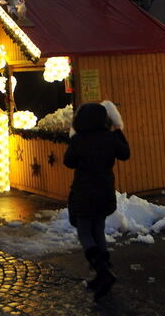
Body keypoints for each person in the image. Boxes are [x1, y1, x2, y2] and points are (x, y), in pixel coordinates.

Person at [63, 102, 130, 301]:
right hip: (104, 190)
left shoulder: (79, 140)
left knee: (84, 231)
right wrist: (118, 131)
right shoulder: (110, 138)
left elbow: (69, 162)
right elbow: (125, 154)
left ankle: (102, 272)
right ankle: (102, 273)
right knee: (98, 228)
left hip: (84, 191)